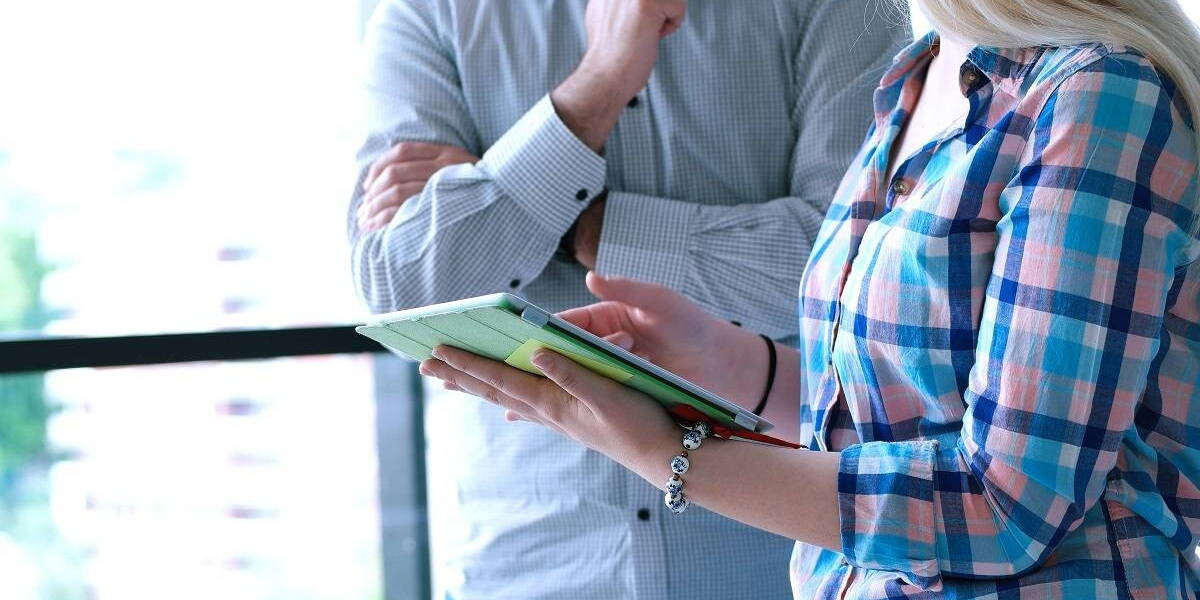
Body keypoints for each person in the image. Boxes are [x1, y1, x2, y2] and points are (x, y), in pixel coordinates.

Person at [419, 0, 1200, 597]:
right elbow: (883, 416)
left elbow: (1005, 504)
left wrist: (664, 453)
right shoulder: (920, 74)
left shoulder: (1099, 94)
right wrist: (722, 360)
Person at [346, 0, 909, 597]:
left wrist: (554, 211)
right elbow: (404, 286)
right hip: (530, 561)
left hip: (778, 554)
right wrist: (602, 79)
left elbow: (855, 273)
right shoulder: (429, 14)